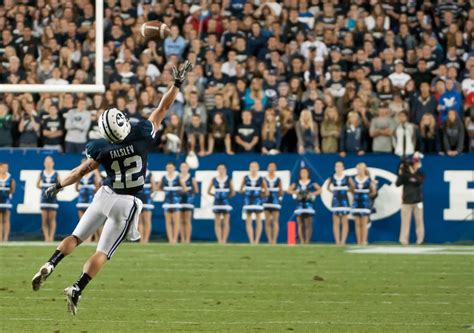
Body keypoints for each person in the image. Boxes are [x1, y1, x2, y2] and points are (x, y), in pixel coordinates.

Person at [30, 61, 192, 315]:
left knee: (75, 236)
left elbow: (81, 171)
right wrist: (177, 84)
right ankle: (77, 288)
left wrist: (58, 185)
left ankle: (51, 263)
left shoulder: (101, 149)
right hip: (127, 202)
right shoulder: (140, 134)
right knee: (103, 252)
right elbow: (163, 108)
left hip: (105, 194)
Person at [396, 154, 425, 245]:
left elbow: (418, 182)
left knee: (419, 222)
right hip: (406, 201)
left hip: (417, 201)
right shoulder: (405, 175)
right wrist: (400, 173)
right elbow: (398, 183)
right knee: (405, 222)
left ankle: (420, 240)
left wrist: (412, 173)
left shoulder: (420, 174)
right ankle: (403, 240)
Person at [287, 167, 321, 245]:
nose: (304, 174)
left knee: (308, 223)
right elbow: (288, 190)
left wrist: (312, 194)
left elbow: (320, 189)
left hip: (309, 205)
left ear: (308, 173)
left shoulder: (312, 182)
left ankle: (307, 241)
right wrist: (296, 192)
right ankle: (302, 240)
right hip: (300, 205)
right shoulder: (296, 183)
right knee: (300, 223)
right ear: (300, 174)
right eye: (302, 172)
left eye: (305, 172)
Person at [240, 162, 267, 245]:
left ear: (258, 168)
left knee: (258, 219)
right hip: (248, 201)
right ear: (249, 168)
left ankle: (257, 240)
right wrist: (247, 192)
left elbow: (266, 191)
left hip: (257, 201)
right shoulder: (246, 178)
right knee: (248, 220)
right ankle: (251, 240)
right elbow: (241, 190)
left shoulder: (261, 179)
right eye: (251, 166)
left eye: (255, 167)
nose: (253, 168)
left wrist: (260, 193)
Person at [159, 161, 186, 244]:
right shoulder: (164, 177)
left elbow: (184, 188)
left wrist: (178, 192)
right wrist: (166, 190)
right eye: (168, 168)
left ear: (174, 168)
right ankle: (170, 239)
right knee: (168, 221)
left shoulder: (178, 177)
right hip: (167, 202)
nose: (169, 169)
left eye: (171, 167)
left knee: (176, 221)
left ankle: (175, 239)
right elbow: (158, 187)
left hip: (176, 202)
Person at [208, 164, 235, 244]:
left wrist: (226, 196)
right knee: (217, 222)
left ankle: (224, 239)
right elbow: (208, 191)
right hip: (217, 203)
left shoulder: (229, 179)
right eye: (219, 168)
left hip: (225, 203)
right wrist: (216, 195)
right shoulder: (214, 179)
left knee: (226, 222)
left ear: (225, 169)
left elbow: (233, 192)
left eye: (223, 168)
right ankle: (219, 239)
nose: (221, 170)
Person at [75, 159, 101, 242]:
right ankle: (85, 239)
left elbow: (97, 187)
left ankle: (91, 239)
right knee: (82, 222)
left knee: (90, 221)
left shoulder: (93, 173)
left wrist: (91, 193)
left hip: (90, 200)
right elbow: (76, 187)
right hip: (81, 200)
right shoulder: (80, 174)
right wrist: (82, 190)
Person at [37, 156, 61, 242]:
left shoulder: (56, 173)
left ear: (53, 163)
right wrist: (45, 190)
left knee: (52, 218)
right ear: (44, 163)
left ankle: (51, 237)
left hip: (53, 199)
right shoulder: (42, 173)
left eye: (50, 162)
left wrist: (54, 190)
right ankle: (46, 237)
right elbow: (37, 184)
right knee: (44, 219)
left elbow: (61, 185)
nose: (48, 164)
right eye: (46, 162)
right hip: (44, 199)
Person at [351, 163, 376, 245]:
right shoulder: (353, 179)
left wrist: (367, 196)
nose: (359, 170)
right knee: (357, 223)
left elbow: (374, 191)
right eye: (358, 168)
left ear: (364, 169)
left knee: (364, 223)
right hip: (356, 202)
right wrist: (355, 194)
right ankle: (358, 241)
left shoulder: (368, 179)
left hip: (365, 203)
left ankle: (364, 241)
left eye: (361, 168)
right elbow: (351, 189)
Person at [327, 161, 352, 246]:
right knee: (336, 221)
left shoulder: (347, 177)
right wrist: (334, 192)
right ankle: (337, 242)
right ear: (335, 168)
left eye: (340, 166)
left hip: (344, 200)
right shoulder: (332, 177)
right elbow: (327, 187)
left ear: (343, 167)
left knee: (345, 221)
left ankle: (343, 241)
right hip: (336, 201)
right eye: (337, 166)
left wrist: (346, 191)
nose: (338, 168)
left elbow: (353, 187)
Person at [263, 162, 282, 245]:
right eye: (270, 167)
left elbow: (281, 191)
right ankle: (269, 239)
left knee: (275, 221)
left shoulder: (278, 179)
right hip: (266, 201)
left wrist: (278, 197)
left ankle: (274, 240)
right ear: (267, 168)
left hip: (275, 201)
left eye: (273, 167)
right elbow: (261, 189)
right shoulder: (264, 179)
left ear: (275, 169)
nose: (271, 168)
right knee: (267, 221)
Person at [179, 162, 198, 244]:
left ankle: (187, 239)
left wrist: (190, 194)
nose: (184, 168)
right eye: (182, 167)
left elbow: (196, 190)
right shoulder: (177, 177)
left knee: (187, 220)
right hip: (179, 200)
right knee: (180, 220)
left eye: (185, 167)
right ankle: (182, 238)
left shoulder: (191, 178)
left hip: (188, 201)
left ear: (188, 168)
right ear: (180, 168)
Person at [137, 169, 157, 244]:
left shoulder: (149, 174)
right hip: (138, 198)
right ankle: (141, 239)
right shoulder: (136, 172)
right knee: (139, 220)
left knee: (147, 220)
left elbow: (154, 187)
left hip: (147, 200)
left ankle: (146, 239)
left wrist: (149, 196)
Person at [0, 162, 15, 242]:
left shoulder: (10, 178)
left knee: (6, 219)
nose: (5, 169)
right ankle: (0, 238)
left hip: (6, 201)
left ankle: (5, 238)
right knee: (0, 220)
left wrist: (8, 193)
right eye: (3, 167)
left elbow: (13, 188)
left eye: (6, 167)